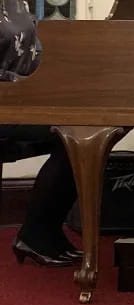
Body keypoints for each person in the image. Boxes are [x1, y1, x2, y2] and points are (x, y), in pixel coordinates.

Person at [0, 0, 81, 266]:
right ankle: (36, 232)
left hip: (18, 98)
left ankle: (46, 230)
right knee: (70, 133)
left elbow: (31, 54)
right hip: (7, 101)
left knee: (82, 129)